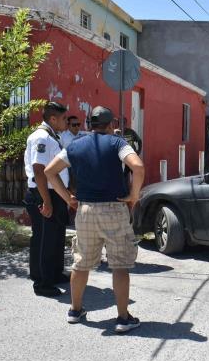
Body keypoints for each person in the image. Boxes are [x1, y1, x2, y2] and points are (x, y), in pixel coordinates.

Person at [44, 106, 145, 333]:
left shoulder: (75, 145)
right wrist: (134, 196)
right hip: (114, 209)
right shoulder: (118, 143)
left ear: (90, 125)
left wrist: (67, 197)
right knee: (119, 265)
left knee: (81, 263)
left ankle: (75, 311)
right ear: (110, 125)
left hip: (85, 210)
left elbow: (50, 171)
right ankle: (122, 318)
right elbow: (137, 167)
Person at [23, 102, 71, 297]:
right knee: (44, 239)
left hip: (54, 193)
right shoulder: (41, 137)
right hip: (44, 193)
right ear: (53, 119)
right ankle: (42, 283)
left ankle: (54, 273)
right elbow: (39, 170)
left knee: (56, 237)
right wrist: (47, 201)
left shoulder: (52, 136)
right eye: (64, 119)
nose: (66, 122)